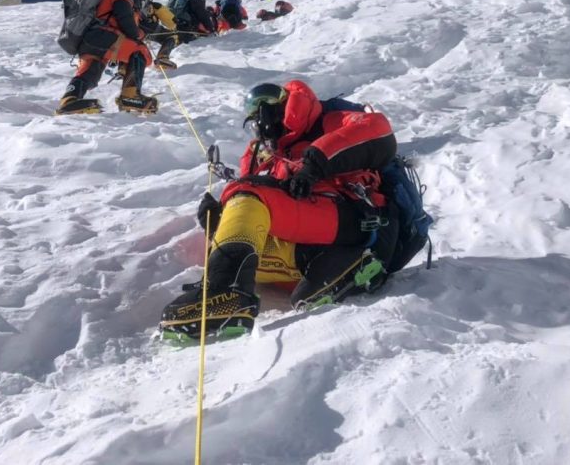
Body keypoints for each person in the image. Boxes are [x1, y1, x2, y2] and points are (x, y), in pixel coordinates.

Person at [159, 80, 400, 339]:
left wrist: (314, 164)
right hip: (315, 237)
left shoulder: (326, 120)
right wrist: (221, 216)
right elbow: (255, 211)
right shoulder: (262, 154)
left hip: (352, 217)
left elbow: (378, 129)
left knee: (247, 195)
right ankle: (345, 266)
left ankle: (224, 294)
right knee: (237, 244)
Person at [55, 0, 159, 115]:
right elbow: (123, 14)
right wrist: (136, 35)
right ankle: (130, 96)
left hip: (89, 39)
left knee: (90, 71)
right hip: (104, 36)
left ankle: (69, 101)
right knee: (141, 51)